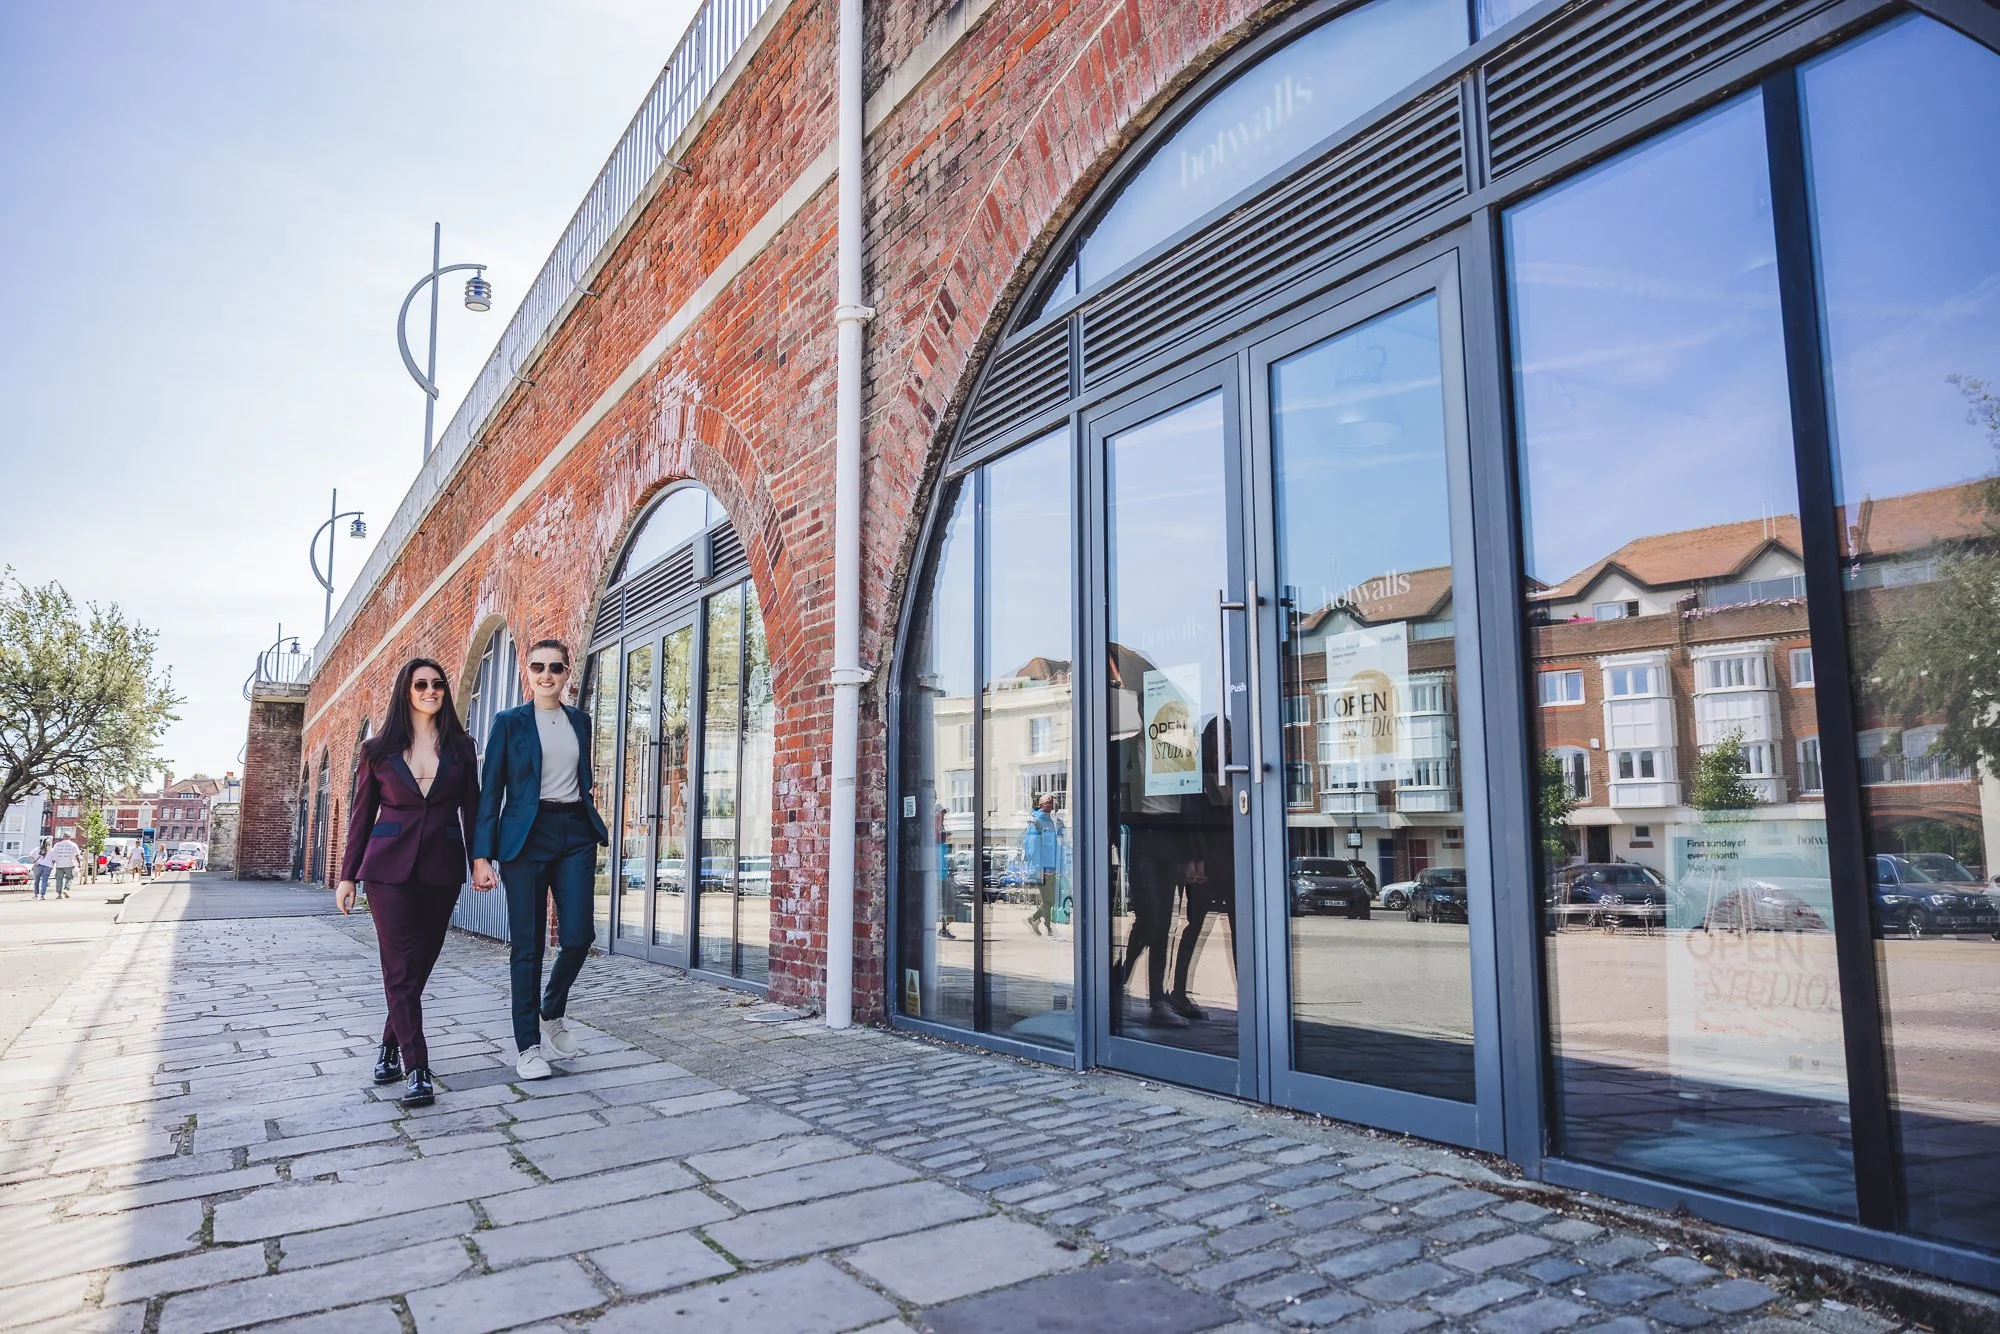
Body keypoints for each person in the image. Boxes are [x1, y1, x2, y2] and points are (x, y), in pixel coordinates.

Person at [335, 657, 484, 1109]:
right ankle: (417, 1067)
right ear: (406, 690)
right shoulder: (376, 750)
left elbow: (472, 812)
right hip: (386, 871)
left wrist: (480, 860)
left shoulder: (462, 747)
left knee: (417, 968)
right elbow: (361, 818)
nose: (431, 690)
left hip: (441, 869)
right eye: (421, 684)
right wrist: (347, 876)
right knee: (399, 966)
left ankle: (387, 1046)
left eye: (438, 684)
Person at [471, 639, 609, 1081]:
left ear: (568, 672)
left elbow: (579, 778)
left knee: (578, 936)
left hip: (573, 832)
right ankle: (528, 1045)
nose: (546, 674)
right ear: (526, 673)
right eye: (537, 667)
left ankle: (552, 1010)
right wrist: (481, 855)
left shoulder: (580, 721)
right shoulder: (509, 723)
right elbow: (491, 791)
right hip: (525, 839)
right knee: (528, 946)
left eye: (555, 667)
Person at [1023, 794, 1065, 937]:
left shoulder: (1053, 821)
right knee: (1049, 900)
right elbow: (1032, 847)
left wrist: (1061, 866)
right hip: (1043, 868)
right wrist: (1037, 869)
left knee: (1050, 900)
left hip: (1052, 867)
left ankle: (1037, 920)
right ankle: (1047, 927)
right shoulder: (1036, 821)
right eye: (1048, 802)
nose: (1051, 805)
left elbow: (1058, 846)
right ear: (1041, 804)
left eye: (1053, 802)